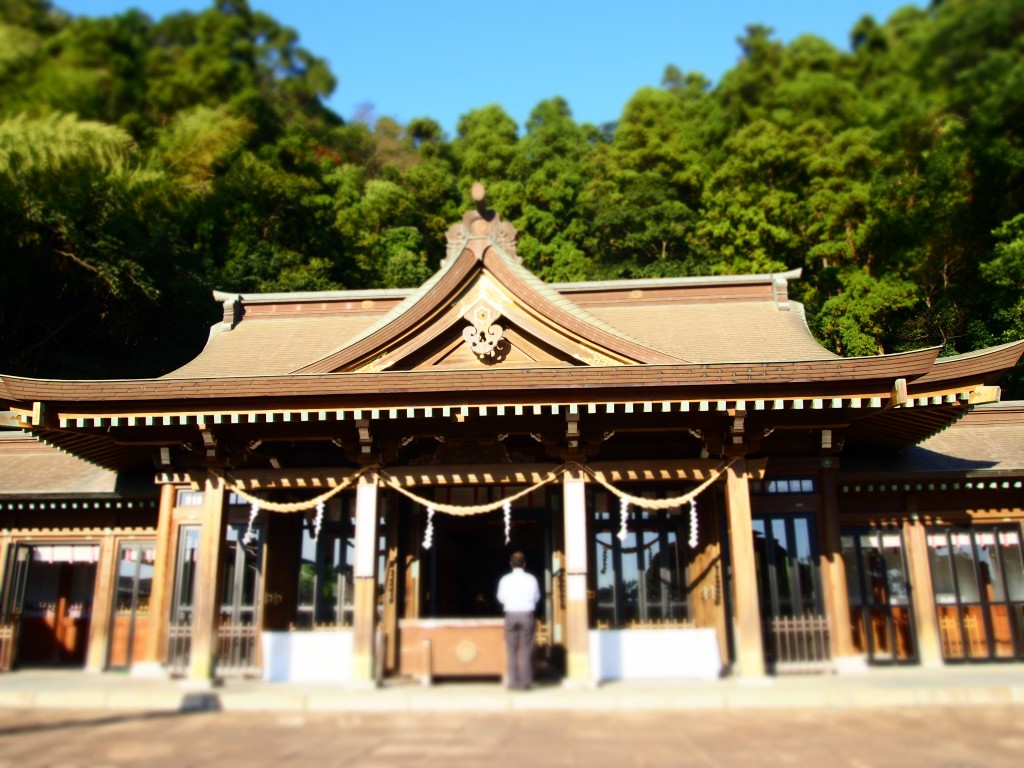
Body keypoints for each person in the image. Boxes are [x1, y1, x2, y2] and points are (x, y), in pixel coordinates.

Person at [496, 550, 541, 690]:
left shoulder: (505, 579)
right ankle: (525, 681)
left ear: (511, 564)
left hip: (511, 613)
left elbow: (500, 598)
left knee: (511, 649)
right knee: (526, 648)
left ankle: (513, 682)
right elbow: (537, 597)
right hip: (526, 613)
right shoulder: (531, 579)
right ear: (524, 564)